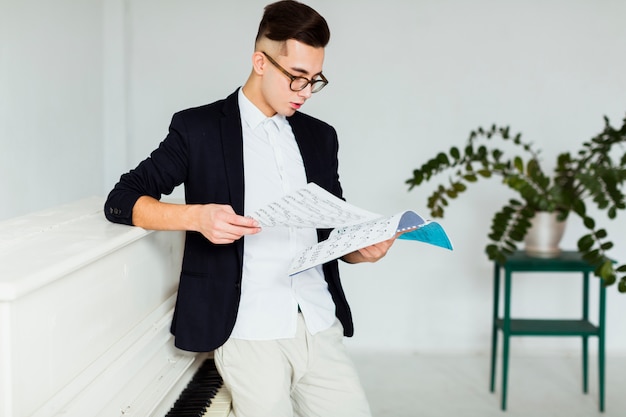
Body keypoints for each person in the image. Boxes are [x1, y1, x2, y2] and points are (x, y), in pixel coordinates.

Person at [104, 1, 397, 416]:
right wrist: (195, 217)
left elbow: (329, 230)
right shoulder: (198, 128)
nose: (306, 92)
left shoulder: (320, 138)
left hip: (317, 320)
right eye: (296, 78)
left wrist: (358, 249)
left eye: (315, 80)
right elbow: (122, 200)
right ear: (260, 61)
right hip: (246, 328)